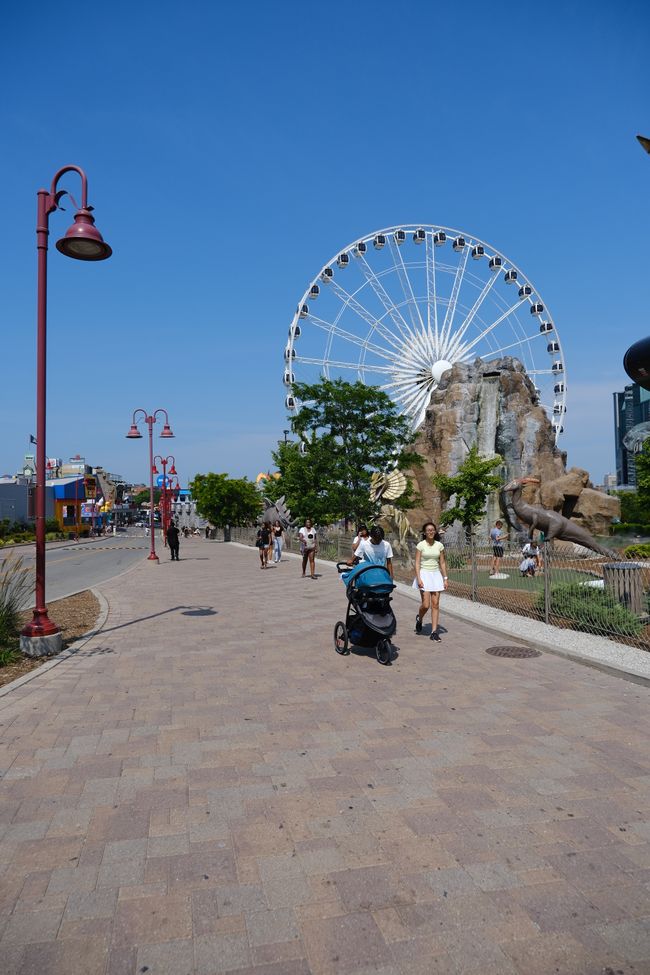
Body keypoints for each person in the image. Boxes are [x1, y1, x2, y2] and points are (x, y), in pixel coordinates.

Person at [413, 521, 448, 642]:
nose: (431, 532)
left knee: (436, 604)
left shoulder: (439, 545)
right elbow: (417, 562)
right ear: (425, 532)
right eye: (428, 530)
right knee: (426, 605)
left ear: (435, 531)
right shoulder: (420, 545)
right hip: (424, 575)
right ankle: (420, 619)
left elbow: (442, 563)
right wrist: (419, 578)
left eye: (432, 530)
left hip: (436, 575)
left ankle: (434, 632)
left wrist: (445, 578)